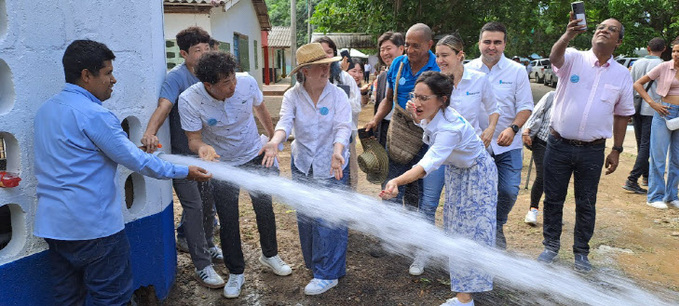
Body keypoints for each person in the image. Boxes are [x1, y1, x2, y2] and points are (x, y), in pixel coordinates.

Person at [33, 39, 212, 305]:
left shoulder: (46, 110)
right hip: (94, 229)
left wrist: (131, 151)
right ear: (86, 76)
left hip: (55, 227)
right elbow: (139, 162)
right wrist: (186, 171)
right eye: (107, 73)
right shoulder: (95, 115)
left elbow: (78, 155)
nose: (113, 80)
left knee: (67, 298)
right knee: (112, 298)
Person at [179, 51, 292, 299]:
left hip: (254, 153)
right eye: (226, 83)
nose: (233, 85)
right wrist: (202, 148)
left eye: (233, 78)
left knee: (264, 208)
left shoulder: (247, 82)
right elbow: (193, 139)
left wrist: (273, 140)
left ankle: (270, 255)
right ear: (208, 85)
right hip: (222, 164)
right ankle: (236, 271)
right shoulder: (189, 100)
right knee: (228, 218)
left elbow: (260, 108)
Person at [381, 71, 497, 306]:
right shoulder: (435, 115)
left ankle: (466, 299)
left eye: (425, 98)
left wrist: (395, 181)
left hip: (477, 177)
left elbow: (425, 166)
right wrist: (417, 116)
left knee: (470, 235)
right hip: (458, 173)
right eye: (416, 95)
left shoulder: (449, 128)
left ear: (443, 99)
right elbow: (426, 128)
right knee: (455, 231)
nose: (417, 102)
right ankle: (463, 295)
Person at [536, 15, 634, 273]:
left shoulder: (623, 74)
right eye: (600, 27)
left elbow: (623, 114)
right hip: (558, 144)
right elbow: (554, 59)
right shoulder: (573, 57)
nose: (603, 30)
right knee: (554, 198)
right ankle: (551, 246)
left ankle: (581, 253)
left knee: (586, 202)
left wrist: (617, 149)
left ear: (619, 42)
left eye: (611, 29)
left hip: (592, 150)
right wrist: (568, 34)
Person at [261, 43, 352, 296]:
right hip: (302, 164)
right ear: (305, 71)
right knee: (308, 217)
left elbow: (343, 127)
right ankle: (318, 265)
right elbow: (285, 122)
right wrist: (274, 142)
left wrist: (338, 150)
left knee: (329, 219)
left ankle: (328, 274)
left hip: (332, 164)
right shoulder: (293, 95)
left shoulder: (337, 96)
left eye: (327, 65)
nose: (326, 70)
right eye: (319, 67)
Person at [139, 26, 223, 288]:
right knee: (195, 207)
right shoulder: (176, 78)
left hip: (206, 154)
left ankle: (208, 245)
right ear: (184, 53)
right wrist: (149, 133)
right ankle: (203, 266)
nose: (203, 54)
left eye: (206, 49)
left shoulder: (210, 75)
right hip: (182, 159)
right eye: (197, 50)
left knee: (208, 204)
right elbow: (164, 106)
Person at [365, 23, 440, 275]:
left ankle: (416, 244)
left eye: (415, 45)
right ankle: (389, 238)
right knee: (392, 185)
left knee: (417, 191)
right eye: (407, 44)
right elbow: (388, 98)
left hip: (427, 138)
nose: (409, 50)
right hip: (398, 134)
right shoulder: (397, 65)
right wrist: (376, 120)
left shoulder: (438, 66)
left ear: (430, 45)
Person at [466, 22, 533, 250]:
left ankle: (497, 225)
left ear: (504, 44)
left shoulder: (517, 71)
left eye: (497, 42)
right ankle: (478, 233)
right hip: (475, 145)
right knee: (475, 193)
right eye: (487, 42)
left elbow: (525, 107)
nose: (491, 47)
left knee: (507, 190)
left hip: (508, 144)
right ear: (479, 43)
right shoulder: (468, 70)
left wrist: (512, 128)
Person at [636, 36, 679, 210]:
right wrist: (653, 103)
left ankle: (672, 195)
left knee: (677, 158)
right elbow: (638, 84)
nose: (676, 54)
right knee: (658, 156)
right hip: (664, 112)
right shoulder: (663, 66)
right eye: (674, 51)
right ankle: (655, 196)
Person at [315, 36, 362, 190]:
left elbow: (356, 106)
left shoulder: (344, 78)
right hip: (318, 138)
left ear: (335, 54)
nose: (326, 56)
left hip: (345, 135)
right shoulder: (308, 78)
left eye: (329, 52)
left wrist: (337, 105)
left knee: (347, 175)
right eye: (321, 52)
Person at [623, 37, 666, 195]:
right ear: (664, 49)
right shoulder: (663, 65)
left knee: (641, 143)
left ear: (648, 48)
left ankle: (646, 177)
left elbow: (630, 86)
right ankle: (632, 179)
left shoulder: (636, 64)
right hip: (652, 109)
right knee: (646, 146)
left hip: (636, 107)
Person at [522, 91, 556, 225]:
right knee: (542, 175)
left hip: (562, 145)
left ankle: (554, 212)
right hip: (542, 141)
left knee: (557, 179)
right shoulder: (552, 96)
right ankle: (533, 209)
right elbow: (536, 113)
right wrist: (526, 131)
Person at [372, 31, 405, 148]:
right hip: (384, 126)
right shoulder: (382, 77)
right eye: (382, 49)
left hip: (404, 129)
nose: (385, 53)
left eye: (388, 48)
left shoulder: (410, 75)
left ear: (401, 49)